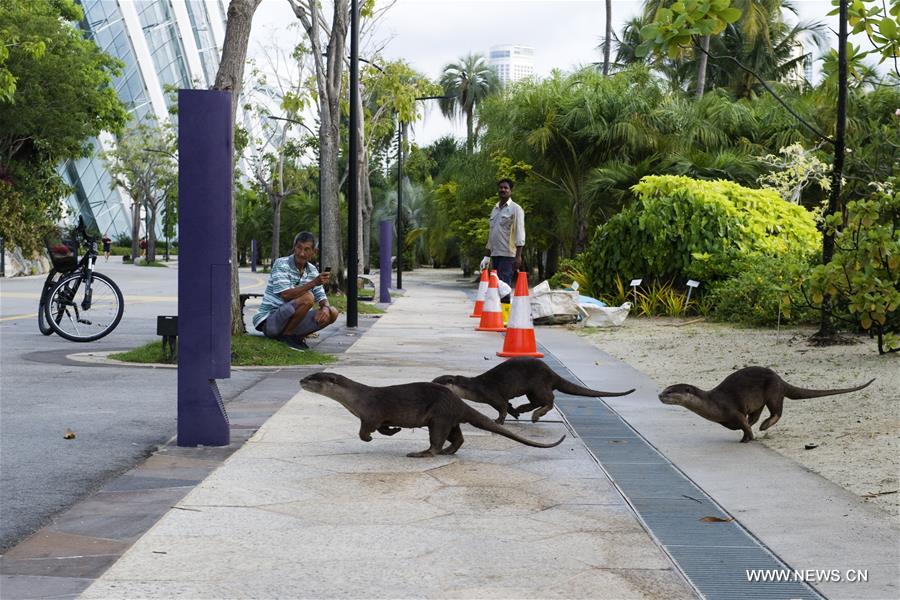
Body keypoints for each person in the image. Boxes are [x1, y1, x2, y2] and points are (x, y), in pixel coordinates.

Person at [252, 232, 339, 350]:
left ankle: (295, 338)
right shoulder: (281, 264)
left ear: (314, 252)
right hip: (271, 321)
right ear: (294, 247)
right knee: (308, 298)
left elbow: (321, 296)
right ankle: (287, 337)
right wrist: (313, 282)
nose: (301, 253)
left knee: (332, 312)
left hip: (291, 320)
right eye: (299, 248)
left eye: (307, 249)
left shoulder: (312, 270)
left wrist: (325, 307)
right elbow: (286, 295)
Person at [480, 178, 525, 302]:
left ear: (511, 191)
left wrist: (518, 256)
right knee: (497, 286)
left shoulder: (516, 209)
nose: (503, 190)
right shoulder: (495, 209)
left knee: (504, 286)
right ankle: (498, 313)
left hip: (508, 255)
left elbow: (520, 234)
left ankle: (504, 316)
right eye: (501, 187)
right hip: (495, 254)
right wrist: (487, 256)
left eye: (506, 188)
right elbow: (491, 234)